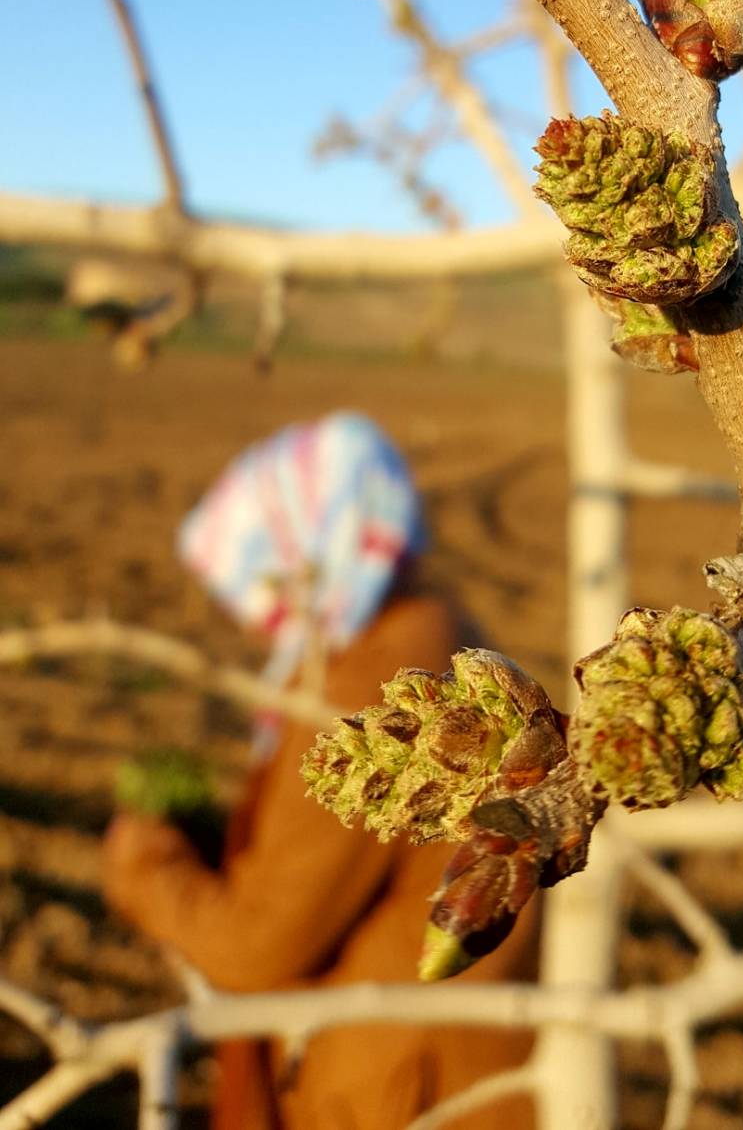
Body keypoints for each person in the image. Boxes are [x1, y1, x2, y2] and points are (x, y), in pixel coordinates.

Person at [103, 414, 538, 1130]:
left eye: (256, 582)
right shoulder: (437, 632)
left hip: (397, 1100)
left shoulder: (373, 682)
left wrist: (144, 864)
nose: (251, 620)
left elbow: (258, 944)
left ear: (312, 549)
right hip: (454, 1077)